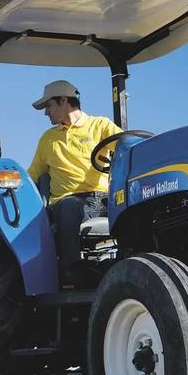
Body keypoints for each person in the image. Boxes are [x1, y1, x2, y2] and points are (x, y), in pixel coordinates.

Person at [27, 80, 123, 276]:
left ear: (63, 101)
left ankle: (131, 262)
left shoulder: (100, 125)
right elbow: (33, 175)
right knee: (69, 206)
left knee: (132, 205)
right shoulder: (48, 139)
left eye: (49, 106)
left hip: (104, 198)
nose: (46, 112)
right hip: (67, 201)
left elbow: (126, 146)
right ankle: (71, 270)